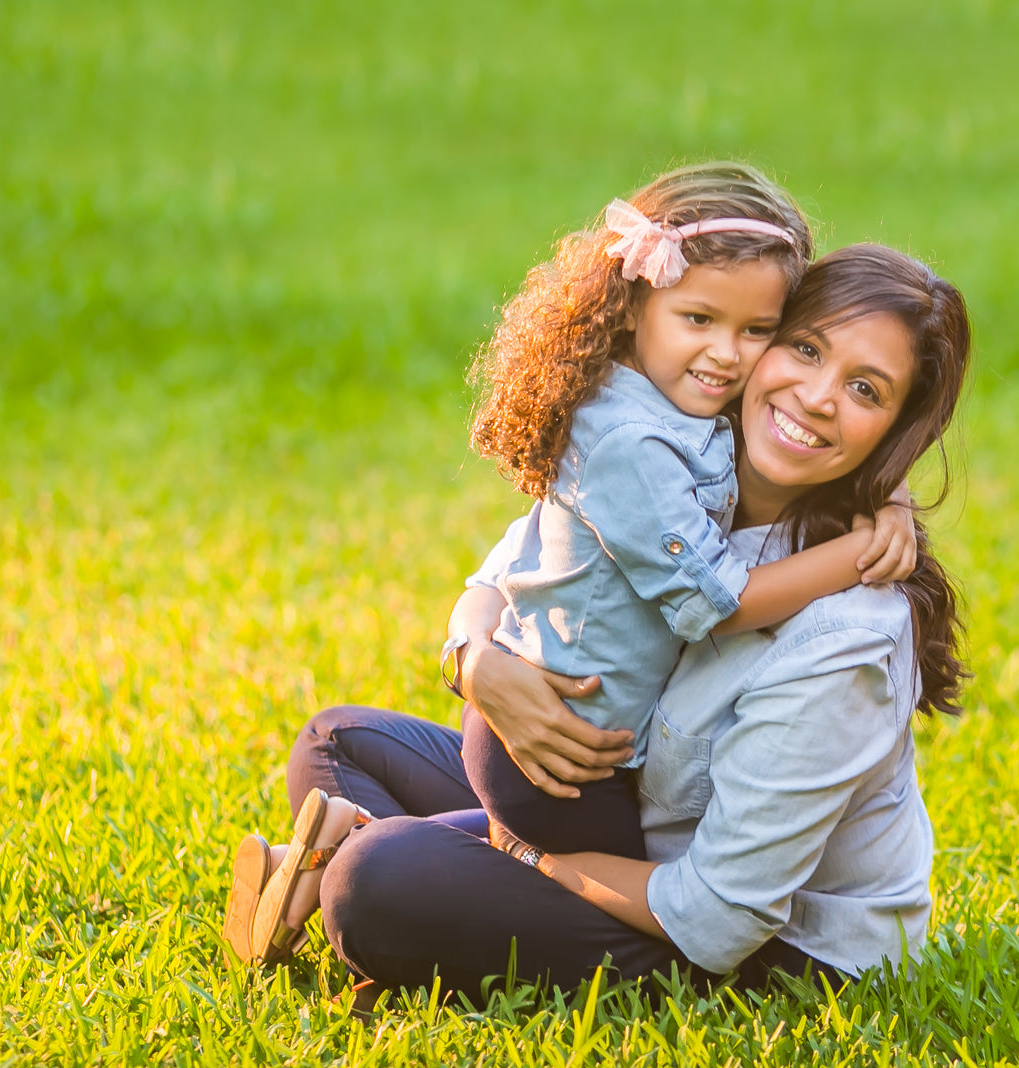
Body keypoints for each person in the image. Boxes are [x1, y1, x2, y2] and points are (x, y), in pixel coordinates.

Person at [223, 242, 971, 999]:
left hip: (759, 948)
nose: (815, 396)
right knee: (340, 742)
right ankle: (412, 877)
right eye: (803, 348)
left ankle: (364, 874)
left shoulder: (848, 636)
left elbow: (719, 917)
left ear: (897, 431)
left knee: (373, 881)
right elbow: (507, 569)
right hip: (616, 808)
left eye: (865, 390)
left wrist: (528, 856)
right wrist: (476, 662)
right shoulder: (681, 463)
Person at [460, 163, 917, 863]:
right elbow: (720, 606)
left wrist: (888, 494)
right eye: (698, 319)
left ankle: (352, 835)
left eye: (758, 329)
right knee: (573, 904)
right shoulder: (632, 441)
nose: (725, 354)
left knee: (348, 761)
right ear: (633, 306)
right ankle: (460, 857)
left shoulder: (683, 399)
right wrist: (853, 554)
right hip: (568, 750)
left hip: (590, 743)